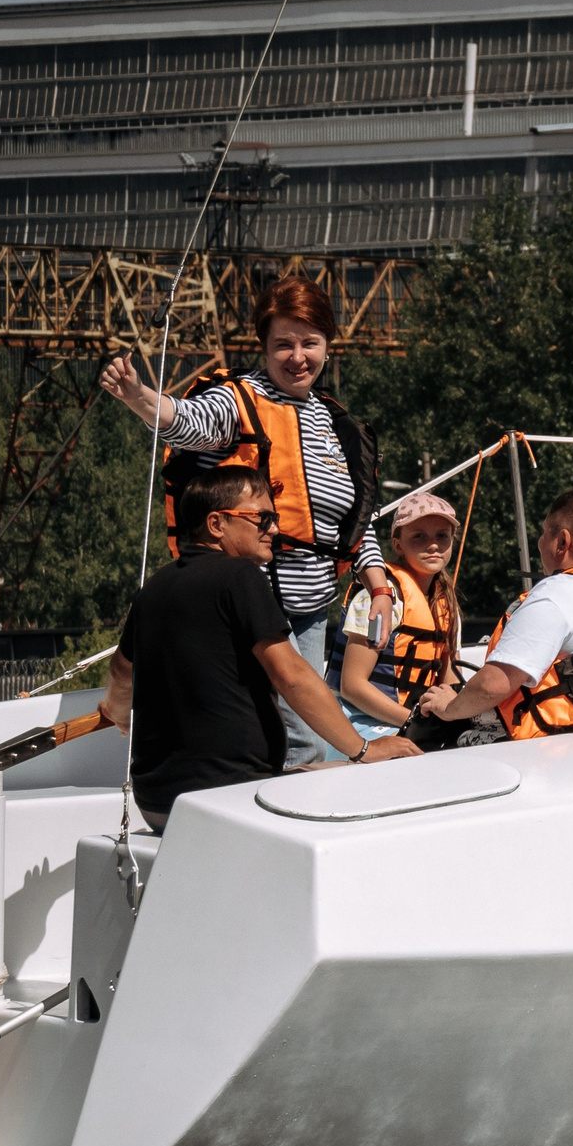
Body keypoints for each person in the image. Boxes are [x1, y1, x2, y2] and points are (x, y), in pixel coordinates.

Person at [99, 276, 394, 767]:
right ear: (264, 346)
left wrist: (378, 584)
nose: (297, 356)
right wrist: (139, 397)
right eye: (283, 344)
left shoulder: (336, 423)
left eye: (309, 343)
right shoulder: (238, 401)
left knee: (295, 729)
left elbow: (352, 521)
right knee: (300, 737)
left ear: (327, 347)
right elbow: (188, 421)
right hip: (249, 599)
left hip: (311, 603)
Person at [98, 467, 416, 828]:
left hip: (156, 804)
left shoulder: (153, 587)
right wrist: (364, 749)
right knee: (376, 782)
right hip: (231, 800)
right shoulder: (240, 576)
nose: (275, 530)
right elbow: (292, 676)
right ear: (217, 524)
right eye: (262, 518)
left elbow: (122, 674)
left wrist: (119, 715)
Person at [412, 488, 573, 745]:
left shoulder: (558, 593)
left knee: (432, 738)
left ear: (562, 541)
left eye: (544, 532)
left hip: (562, 744)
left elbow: (493, 686)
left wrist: (450, 706)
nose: (540, 542)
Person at [331, 492, 462, 749]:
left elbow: (449, 680)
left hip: (410, 721)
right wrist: (417, 721)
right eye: (419, 536)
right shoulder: (379, 599)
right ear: (398, 544)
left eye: (442, 536)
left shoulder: (447, 605)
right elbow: (351, 686)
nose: (433, 545)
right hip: (358, 720)